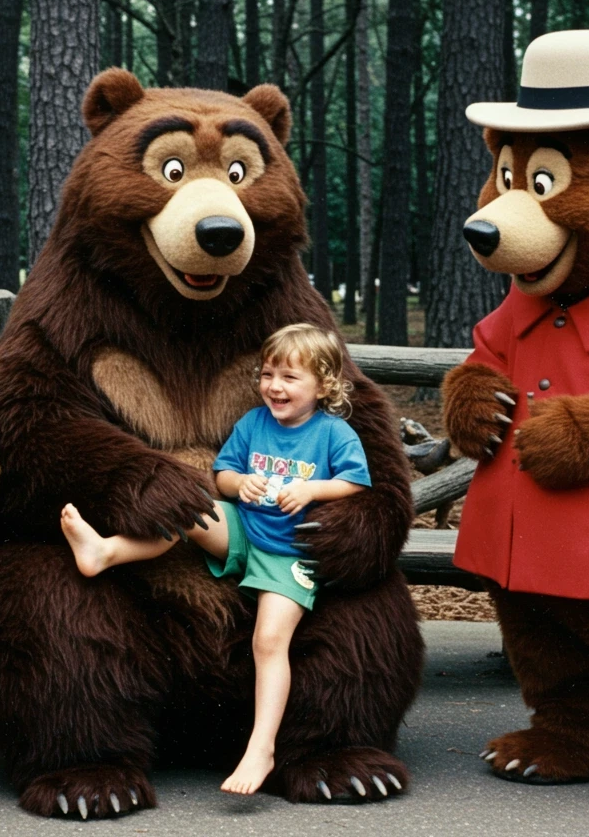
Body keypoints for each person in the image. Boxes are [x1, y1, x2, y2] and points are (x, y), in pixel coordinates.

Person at [60, 323, 371, 795]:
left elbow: (356, 483)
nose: (274, 386)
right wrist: (239, 484)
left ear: (324, 385)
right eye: (267, 374)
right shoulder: (254, 423)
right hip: (245, 531)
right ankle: (107, 550)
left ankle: (262, 747)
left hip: (290, 555)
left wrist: (312, 489)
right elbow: (222, 473)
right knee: (190, 511)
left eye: (289, 377)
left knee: (269, 642)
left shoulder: (333, 433)